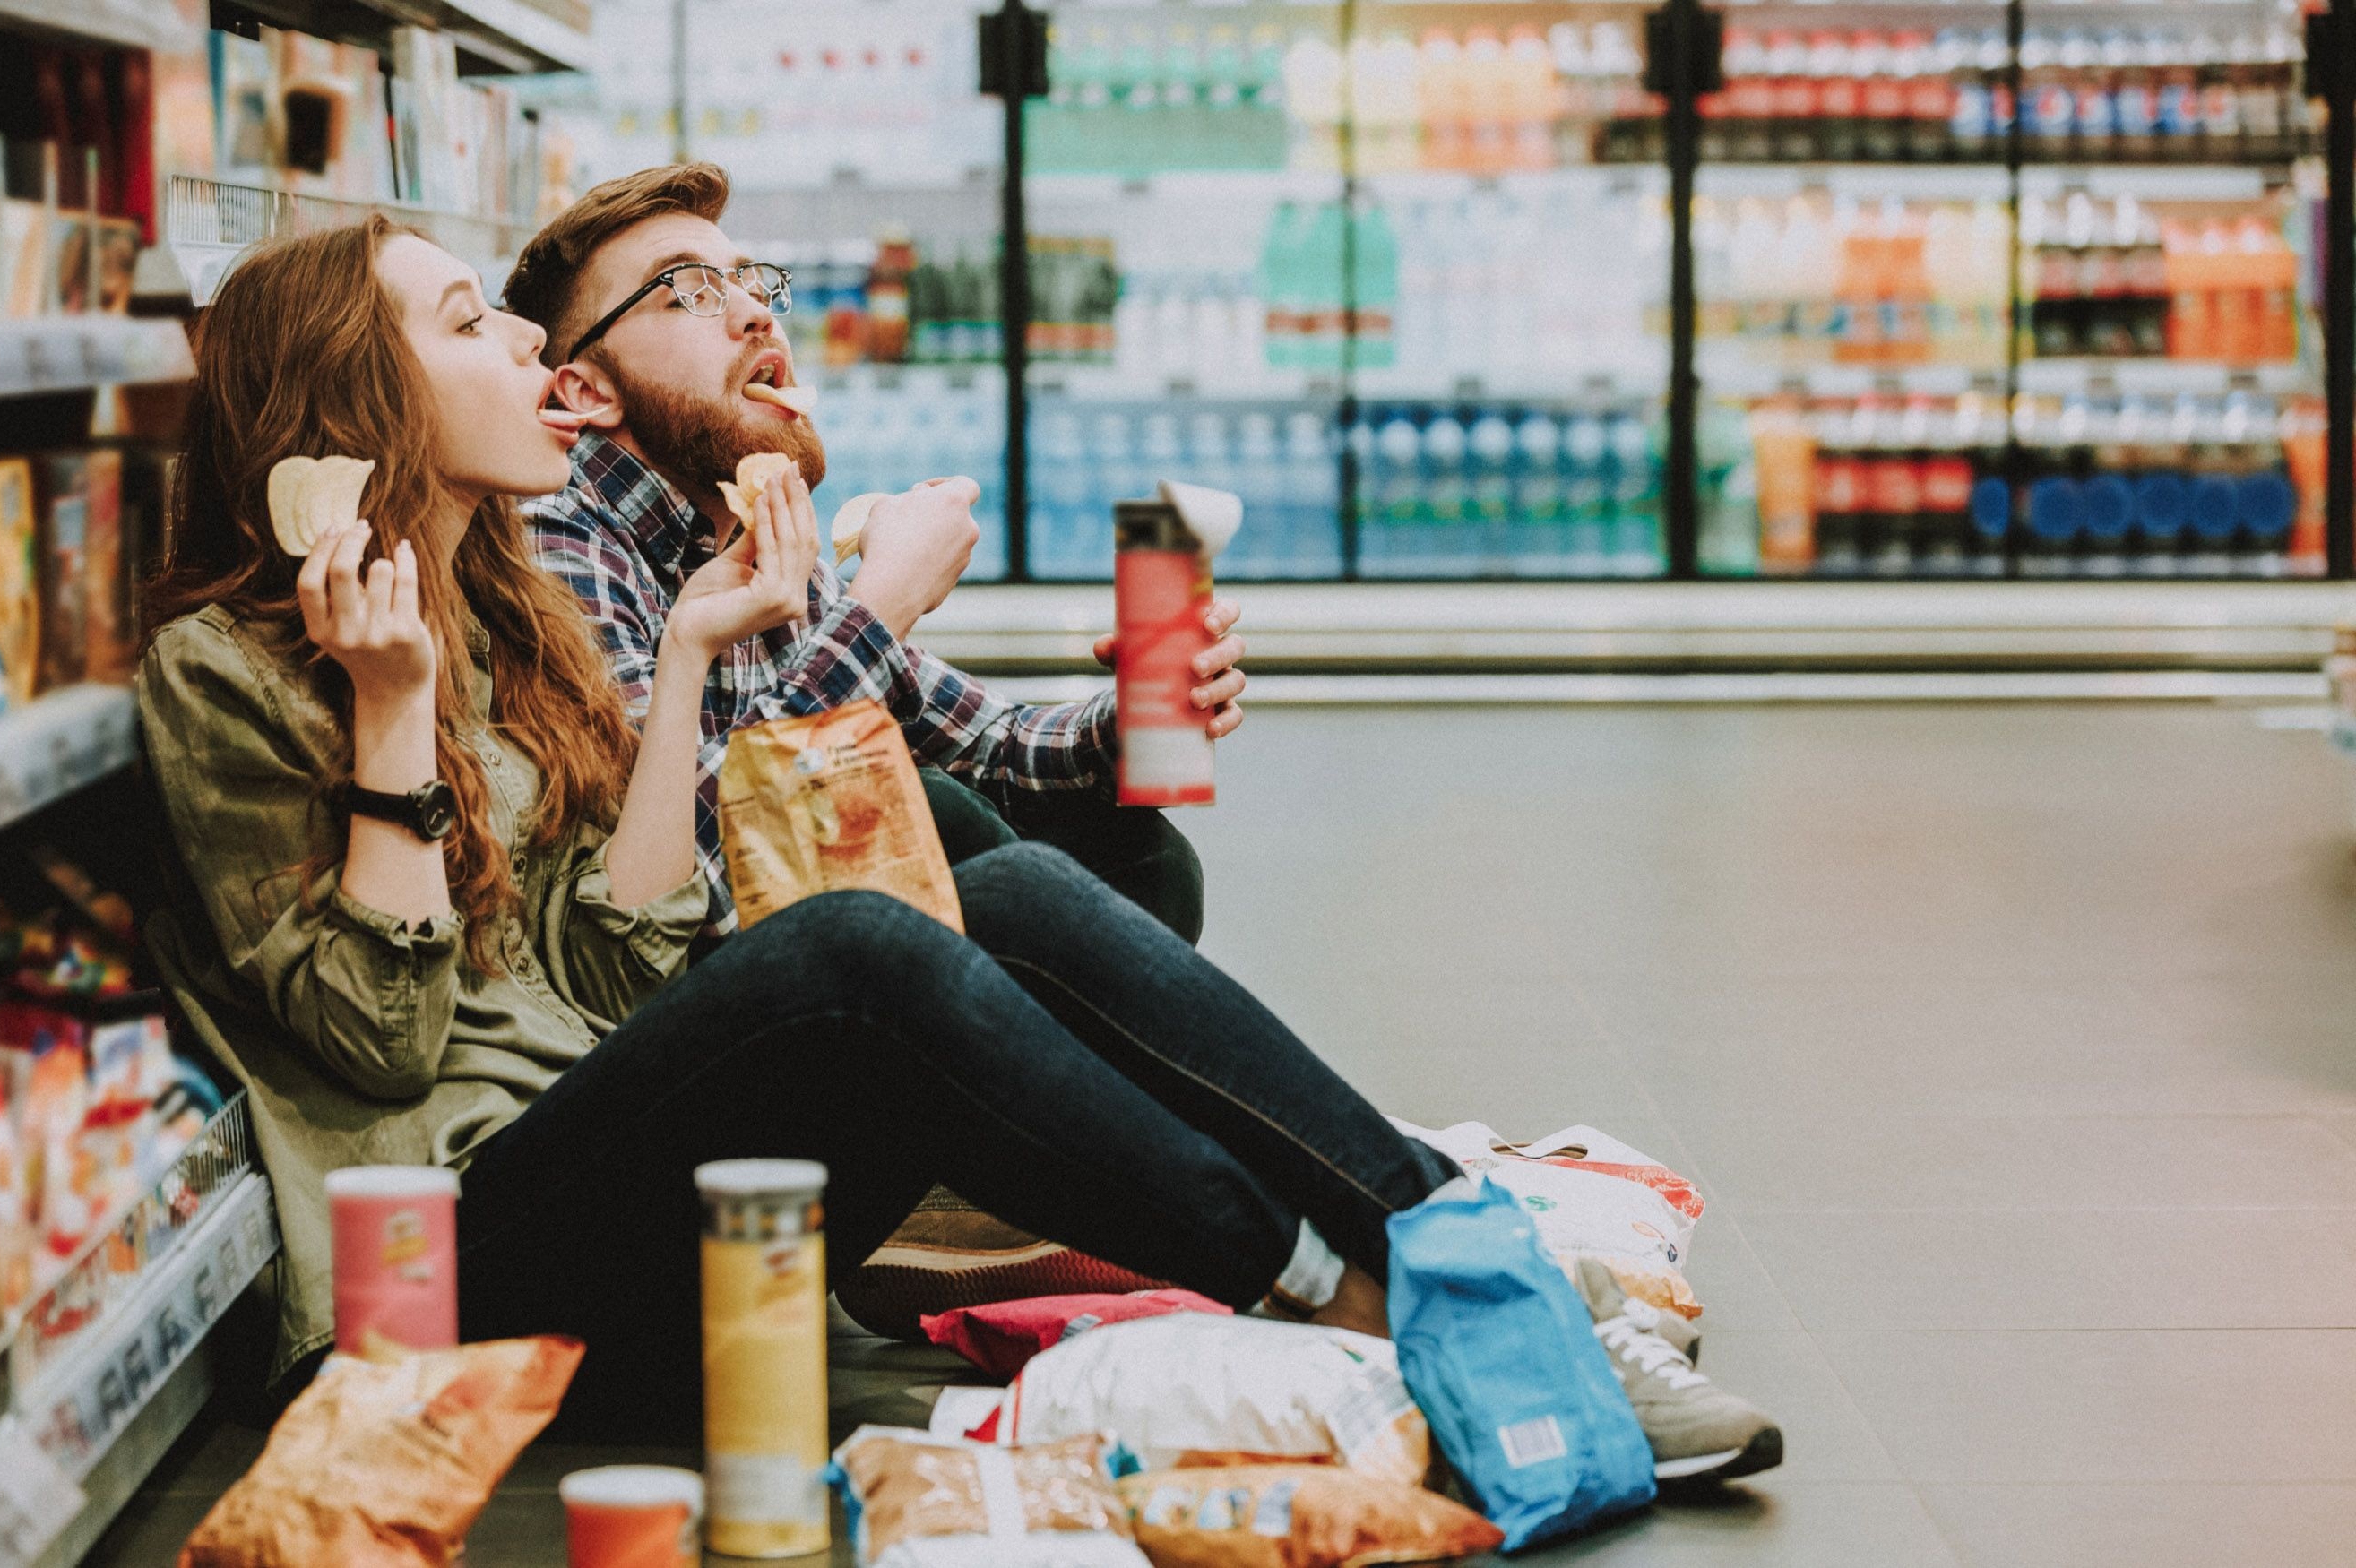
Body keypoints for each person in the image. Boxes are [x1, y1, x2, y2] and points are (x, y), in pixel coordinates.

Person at [137, 215, 1452, 1432]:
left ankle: (1440, 1239)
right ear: (356, 398)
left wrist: (694, 653)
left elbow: (620, 965)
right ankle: (1328, 1291)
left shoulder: (498, 614)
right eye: (473, 322)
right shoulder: (225, 671)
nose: (526, 341)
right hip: (440, 1279)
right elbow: (384, 1038)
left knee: (1005, 893)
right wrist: (389, 717)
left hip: (622, 1169)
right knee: (859, 945)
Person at [505, 164, 1231, 947]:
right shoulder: (559, 538)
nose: (756, 315)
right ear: (586, 392)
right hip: (702, 1002)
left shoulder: (750, 524)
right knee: (938, 812)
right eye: (688, 291)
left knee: (1140, 858)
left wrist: (1126, 720)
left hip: (821, 963)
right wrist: (882, 604)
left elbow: (989, 744)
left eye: (749, 283)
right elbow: (678, 891)